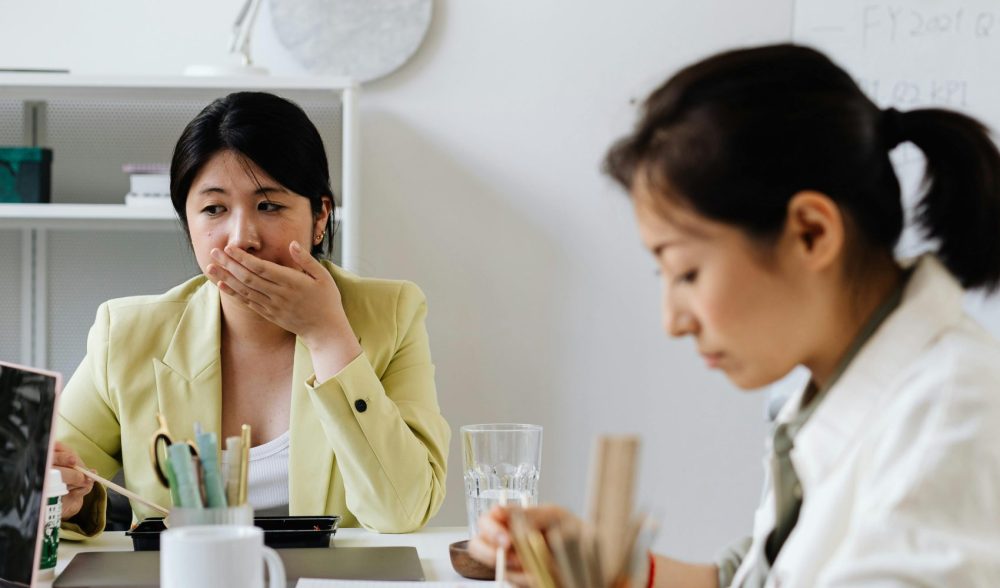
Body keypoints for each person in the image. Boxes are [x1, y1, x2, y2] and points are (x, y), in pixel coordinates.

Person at [470, 43, 1000, 586]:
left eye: (687, 273)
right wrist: (607, 566)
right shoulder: (826, 395)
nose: (673, 322)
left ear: (811, 233)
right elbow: (753, 578)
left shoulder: (953, 413)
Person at [53, 91, 450, 537]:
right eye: (214, 209)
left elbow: (403, 509)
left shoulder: (392, 314)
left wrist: (327, 336)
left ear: (320, 217)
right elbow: (41, 488)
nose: (242, 237)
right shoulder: (127, 335)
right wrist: (65, 501)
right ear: (188, 223)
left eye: (269, 206)